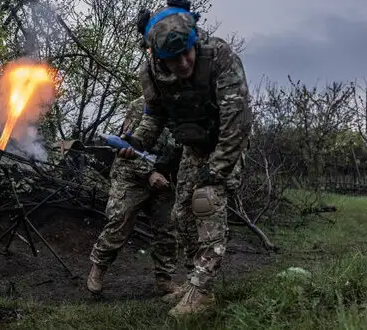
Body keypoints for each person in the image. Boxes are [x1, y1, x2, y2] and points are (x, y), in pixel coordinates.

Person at [116, 0, 252, 317]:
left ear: (194, 41)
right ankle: (195, 282)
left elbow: (238, 121)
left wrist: (216, 171)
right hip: (193, 148)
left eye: (187, 52)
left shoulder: (218, 54)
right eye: (172, 58)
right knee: (181, 215)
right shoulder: (150, 72)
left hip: (225, 143)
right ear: (157, 55)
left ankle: (201, 292)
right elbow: (155, 115)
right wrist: (136, 141)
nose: (183, 62)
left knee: (205, 202)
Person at [87, 96, 184, 302]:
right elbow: (127, 146)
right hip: (131, 174)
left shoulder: (186, 106)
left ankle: (164, 280)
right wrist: (149, 173)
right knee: (119, 220)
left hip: (164, 177)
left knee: (168, 228)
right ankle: (99, 268)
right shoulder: (141, 105)